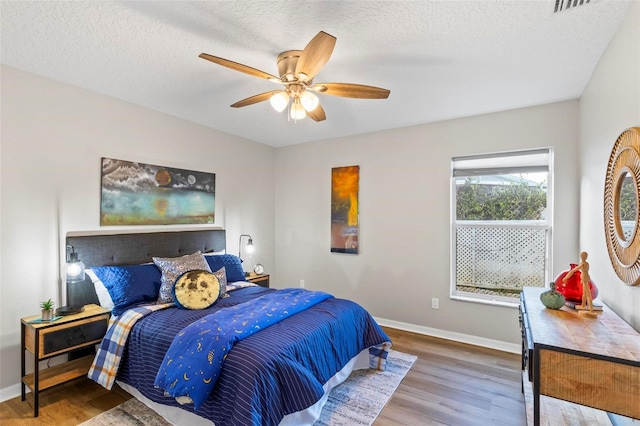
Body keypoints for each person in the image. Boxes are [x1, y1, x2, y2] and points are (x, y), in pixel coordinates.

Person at [563, 251, 596, 315]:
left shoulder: (582, 264)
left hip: (585, 278)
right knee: (584, 293)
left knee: (588, 294)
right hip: (585, 278)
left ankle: (591, 310)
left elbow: (573, 270)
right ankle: (583, 305)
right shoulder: (586, 263)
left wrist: (566, 277)